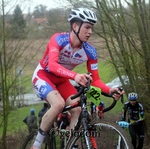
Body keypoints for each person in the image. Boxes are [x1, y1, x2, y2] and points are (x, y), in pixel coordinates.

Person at [31, 7, 124, 149]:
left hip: (62, 80)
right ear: (75, 26)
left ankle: (71, 144)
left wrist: (110, 90)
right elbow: (53, 65)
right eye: (87, 27)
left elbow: (96, 80)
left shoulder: (90, 51)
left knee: (77, 109)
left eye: (92, 28)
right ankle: (36, 145)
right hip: (43, 75)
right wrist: (75, 75)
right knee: (58, 104)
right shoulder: (58, 39)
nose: (90, 32)